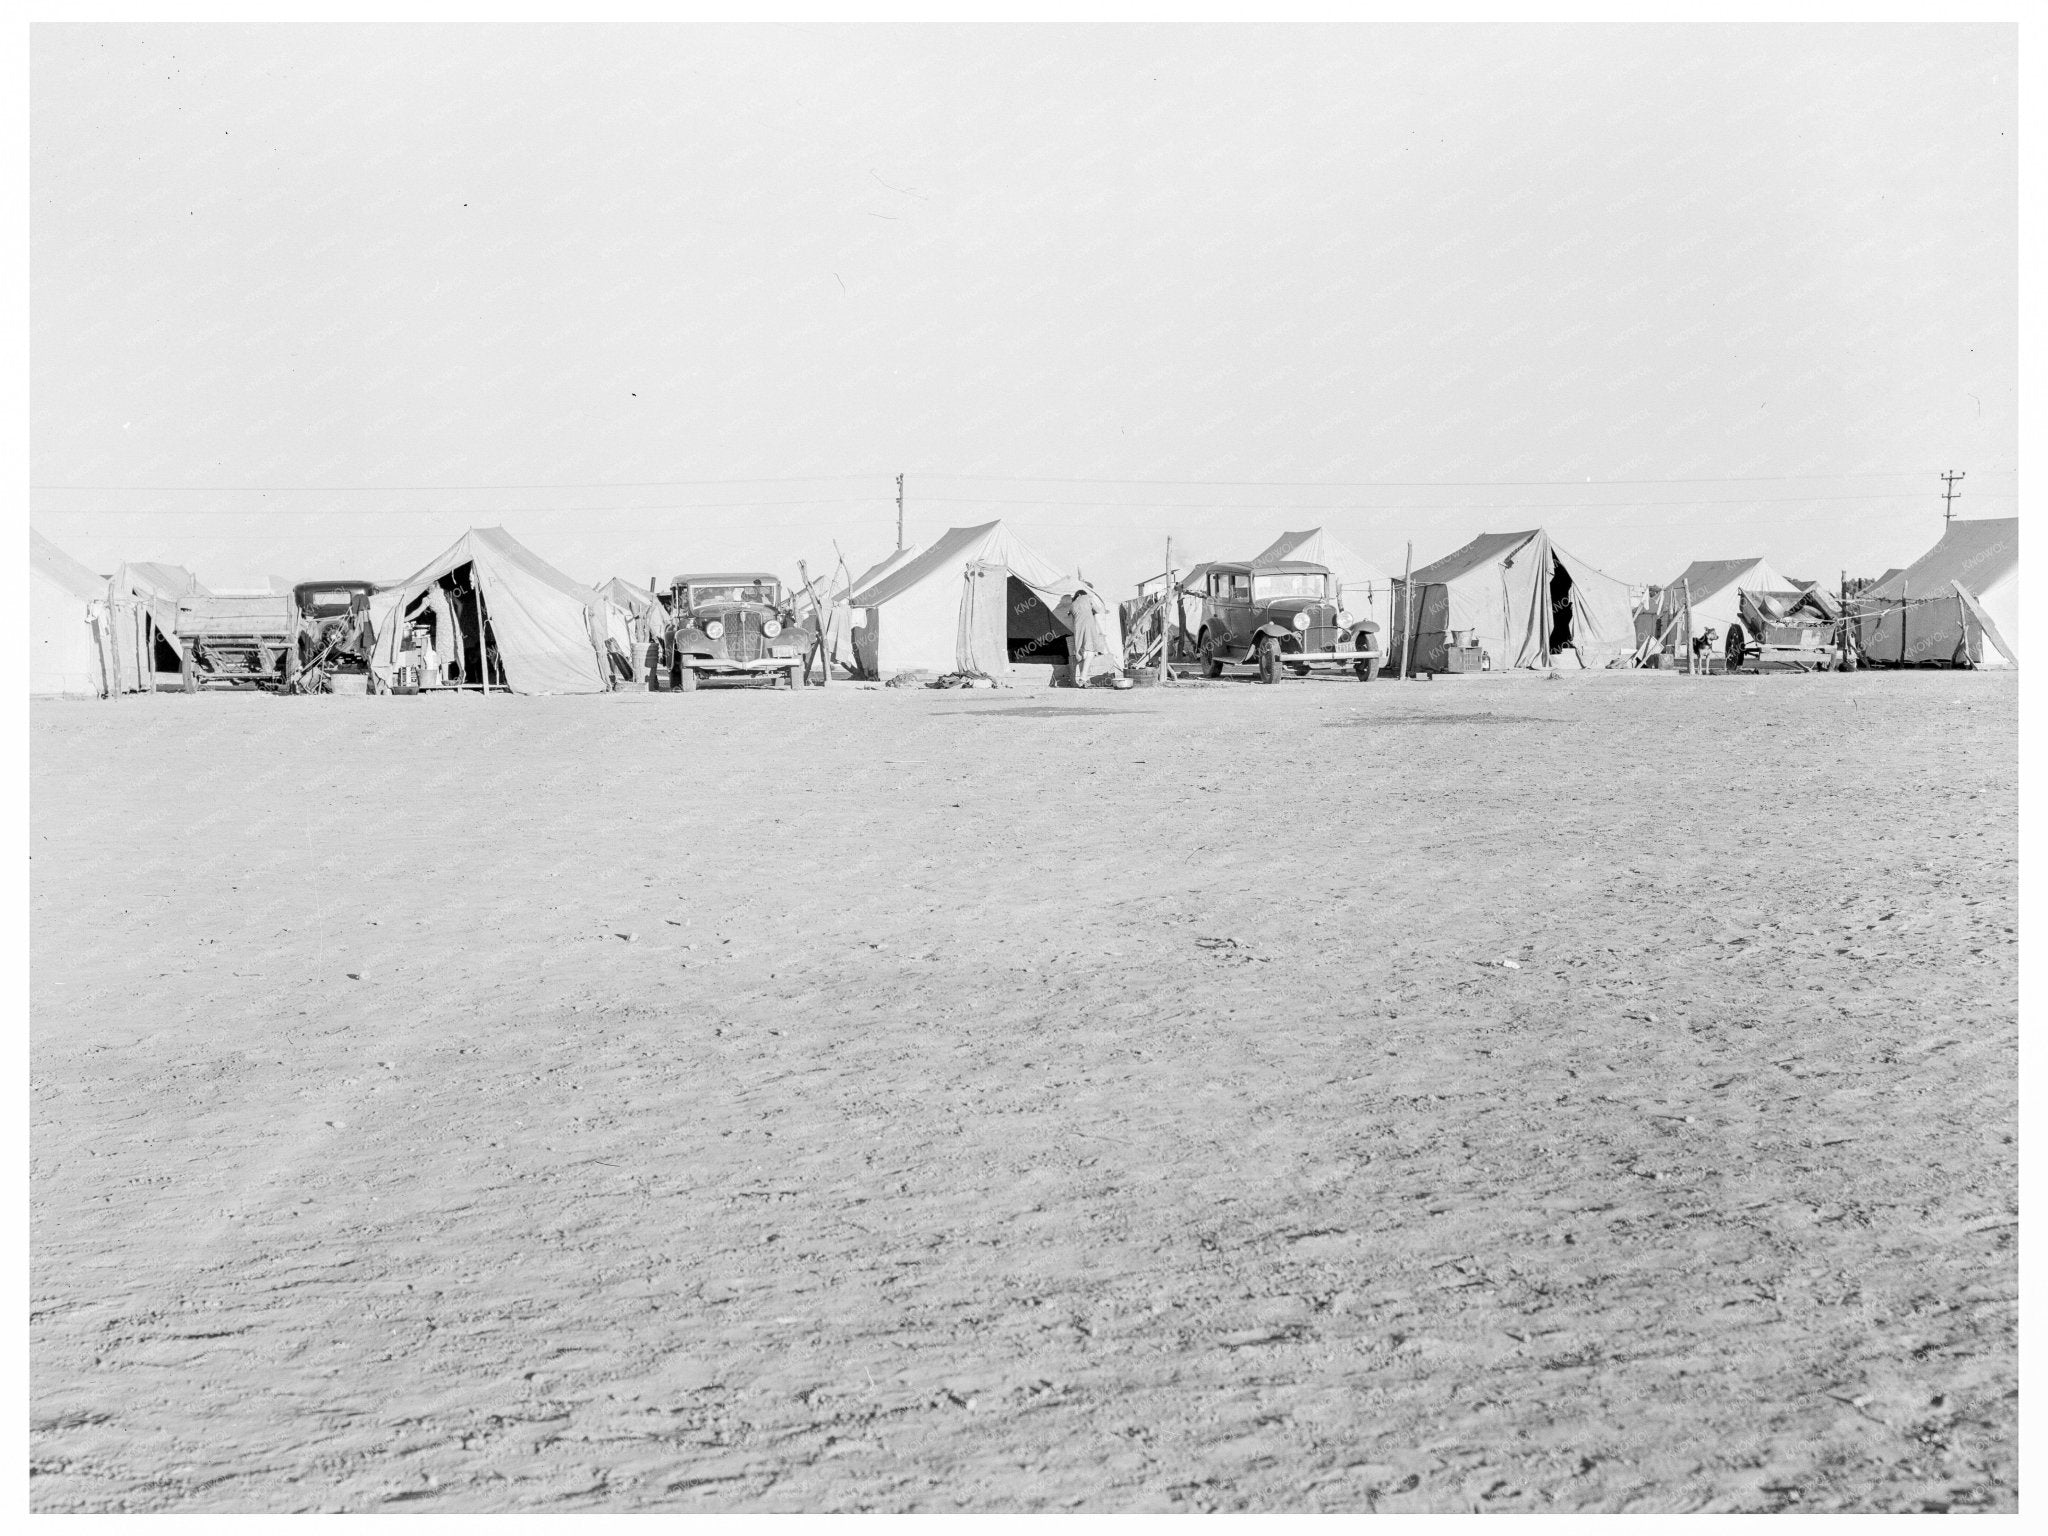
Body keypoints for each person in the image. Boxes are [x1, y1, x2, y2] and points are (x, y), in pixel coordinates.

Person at [1066, 586, 1106, 687]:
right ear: (1082, 594)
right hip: (1089, 627)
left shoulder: (1072, 604)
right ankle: (1082, 679)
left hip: (1077, 629)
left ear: (1077, 595)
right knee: (1091, 653)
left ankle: (1082, 680)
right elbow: (1098, 609)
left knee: (1081, 652)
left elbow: (1070, 616)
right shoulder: (1088, 597)